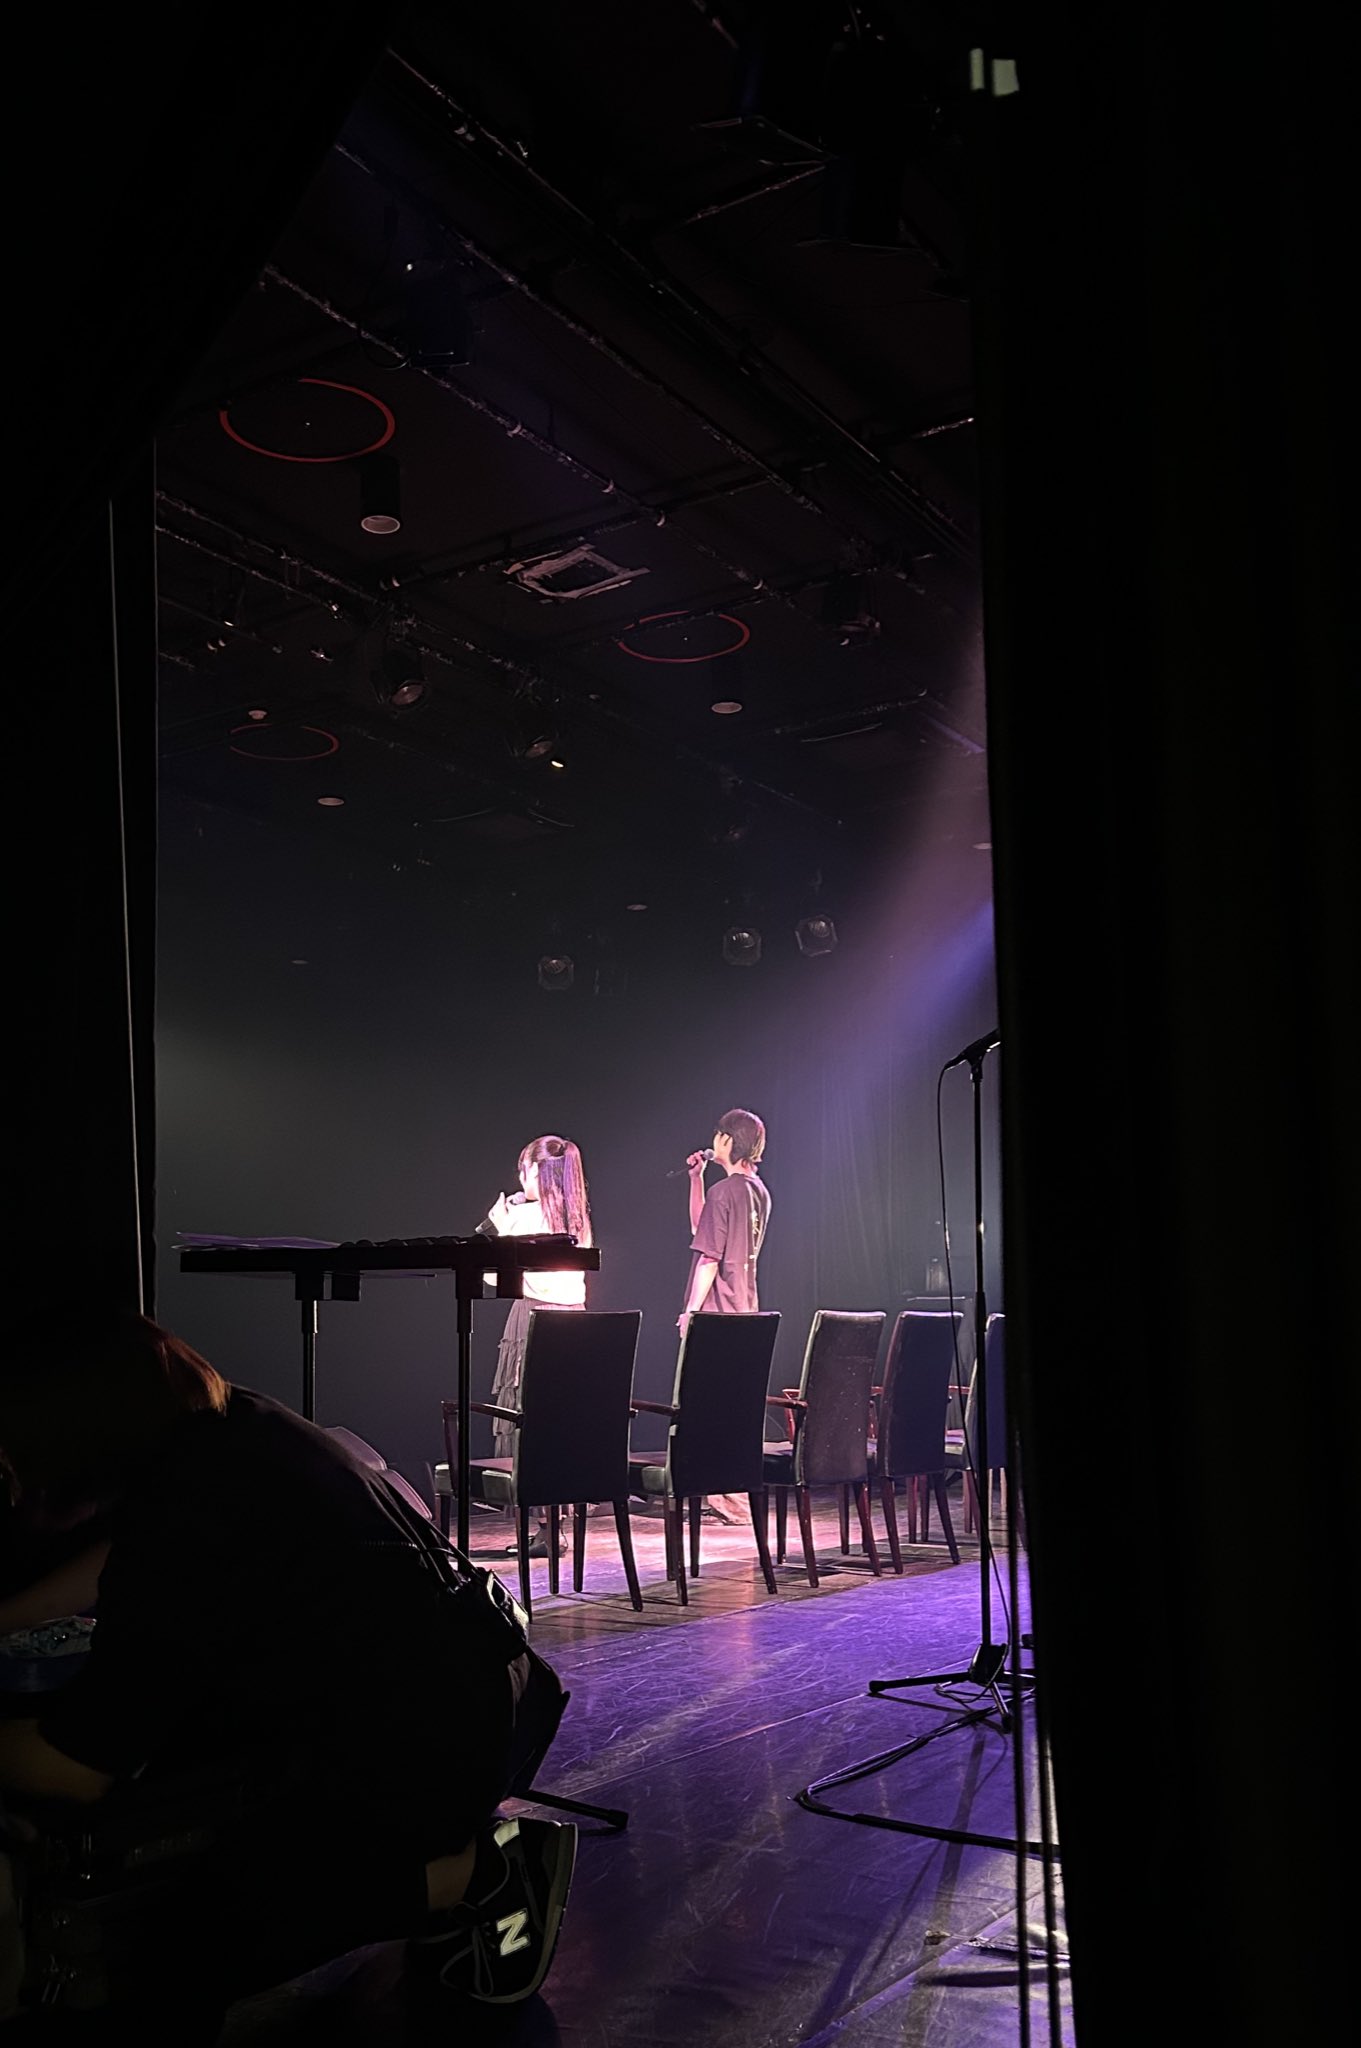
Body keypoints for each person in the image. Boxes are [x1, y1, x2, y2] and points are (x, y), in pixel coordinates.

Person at [0, 1311, 579, 2040]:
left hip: (439, 1746)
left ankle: (481, 1875)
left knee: (178, 1945)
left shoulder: (188, 1514)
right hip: (486, 1695)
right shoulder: (230, 1429)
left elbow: (80, 1763)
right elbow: (123, 1557)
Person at [479, 1134, 593, 1559]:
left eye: (523, 1169)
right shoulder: (576, 1216)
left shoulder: (527, 1216)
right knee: (561, 1418)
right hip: (574, 1318)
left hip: (536, 1316)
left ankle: (545, 1526)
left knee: (527, 1416)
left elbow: (495, 1274)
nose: (519, 1178)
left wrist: (500, 1223)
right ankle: (559, 1521)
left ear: (535, 1171)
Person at [678, 1107, 771, 1526]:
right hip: (745, 1307)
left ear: (728, 1141)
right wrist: (696, 1179)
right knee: (732, 1405)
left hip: (716, 1312)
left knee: (708, 1406)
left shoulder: (725, 1192)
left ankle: (725, 1497)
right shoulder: (757, 1190)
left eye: (718, 1135)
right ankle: (727, 1493)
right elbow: (702, 1228)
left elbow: (708, 1257)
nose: (713, 1141)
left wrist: (691, 1311)